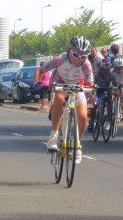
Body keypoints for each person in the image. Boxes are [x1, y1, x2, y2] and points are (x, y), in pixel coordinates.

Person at [34, 36, 94, 164]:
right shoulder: (61, 59)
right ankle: (54, 136)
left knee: (83, 116)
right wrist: (36, 82)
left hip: (76, 86)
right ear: (69, 51)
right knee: (60, 98)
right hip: (59, 83)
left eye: (83, 56)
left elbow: (90, 83)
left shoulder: (86, 64)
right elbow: (40, 70)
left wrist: (91, 91)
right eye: (76, 55)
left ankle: (77, 145)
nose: (79, 59)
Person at [88, 59, 117, 132]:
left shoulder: (110, 74)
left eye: (107, 70)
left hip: (107, 89)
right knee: (94, 105)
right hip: (98, 90)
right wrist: (92, 93)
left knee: (110, 97)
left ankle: (109, 115)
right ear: (100, 69)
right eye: (103, 70)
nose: (105, 72)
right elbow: (91, 86)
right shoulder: (96, 76)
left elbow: (114, 83)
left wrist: (116, 90)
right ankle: (91, 121)